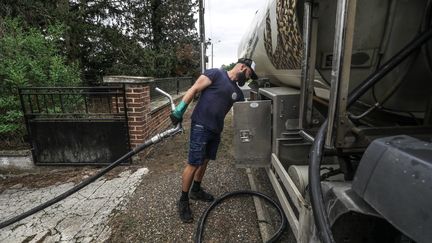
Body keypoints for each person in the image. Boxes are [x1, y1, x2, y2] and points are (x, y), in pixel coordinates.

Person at [170, 58, 258, 223]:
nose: (248, 79)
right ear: (242, 67)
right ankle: (183, 200)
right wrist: (180, 110)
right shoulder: (216, 74)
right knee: (194, 162)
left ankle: (196, 190)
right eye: (248, 74)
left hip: (215, 130)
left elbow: (242, 113)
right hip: (200, 125)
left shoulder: (238, 94)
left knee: (205, 161)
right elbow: (195, 88)